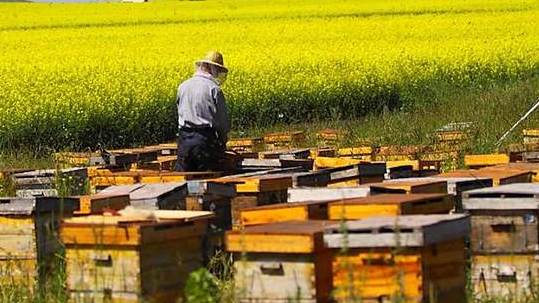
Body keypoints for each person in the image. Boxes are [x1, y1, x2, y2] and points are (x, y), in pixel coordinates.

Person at [174, 51, 230, 172]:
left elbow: (179, 111)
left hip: (184, 140)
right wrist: (222, 141)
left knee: (181, 182)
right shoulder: (214, 89)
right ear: (213, 68)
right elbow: (222, 121)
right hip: (205, 141)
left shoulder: (183, 86)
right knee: (207, 181)